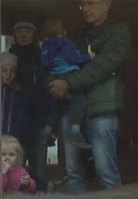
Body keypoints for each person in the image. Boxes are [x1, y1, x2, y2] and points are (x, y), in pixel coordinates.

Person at [49, 0, 131, 194]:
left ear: (107, 4)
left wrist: (68, 82)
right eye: (82, 5)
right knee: (72, 172)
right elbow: (59, 64)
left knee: (105, 171)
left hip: (102, 107)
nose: (86, 9)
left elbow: (103, 66)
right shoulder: (78, 35)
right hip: (73, 107)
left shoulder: (120, 32)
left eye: (91, 3)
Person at [8, 21, 55, 193]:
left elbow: (50, 94)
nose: (23, 35)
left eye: (27, 31)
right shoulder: (9, 59)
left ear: (34, 34)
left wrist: (50, 124)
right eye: (19, 31)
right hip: (16, 129)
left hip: (39, 126)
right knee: (15, 176)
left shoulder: (43, 58)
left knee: (40, 174)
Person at [40, 17, 93, 150]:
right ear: (63, 32)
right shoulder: (65, 42)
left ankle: (47, 131)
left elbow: (44, 64)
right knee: (79, 99)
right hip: (69, 75)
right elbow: (73, 58)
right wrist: (88, 57)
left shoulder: (45, 46)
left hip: (55, 75)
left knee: (55, 106)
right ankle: (75, 130)